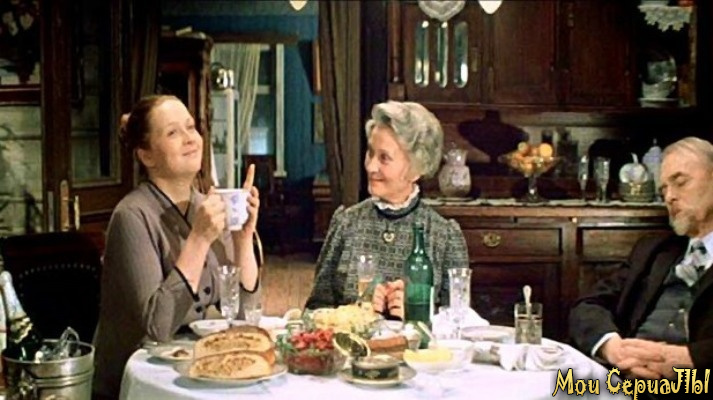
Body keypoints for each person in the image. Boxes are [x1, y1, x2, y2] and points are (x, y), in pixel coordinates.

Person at [93, 95, 261, 398]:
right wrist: (199, 239)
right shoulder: (132, 216)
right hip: (139, 384)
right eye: (173, 132)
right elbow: (157, 328)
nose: (190, 139)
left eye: (191, 127)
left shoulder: (206, 206)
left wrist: (243, 239)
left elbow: (245, 315)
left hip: (192, 373)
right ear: (146, 155)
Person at [305, 101, 469, 318]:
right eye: (370, 153)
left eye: (384, 158)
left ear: (416, 169)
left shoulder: (444, 236)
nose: (371, 166)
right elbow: (313, 313)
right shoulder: (346, 223)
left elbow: (460, 323)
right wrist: (354, 313)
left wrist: (420, 313)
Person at [569, 136, 713, 380]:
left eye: (680, 182)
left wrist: (690, 359)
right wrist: (612, 347)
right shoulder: (653, 250)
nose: (669, 197)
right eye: (663, 189)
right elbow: (587, 306)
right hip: (623, 381)